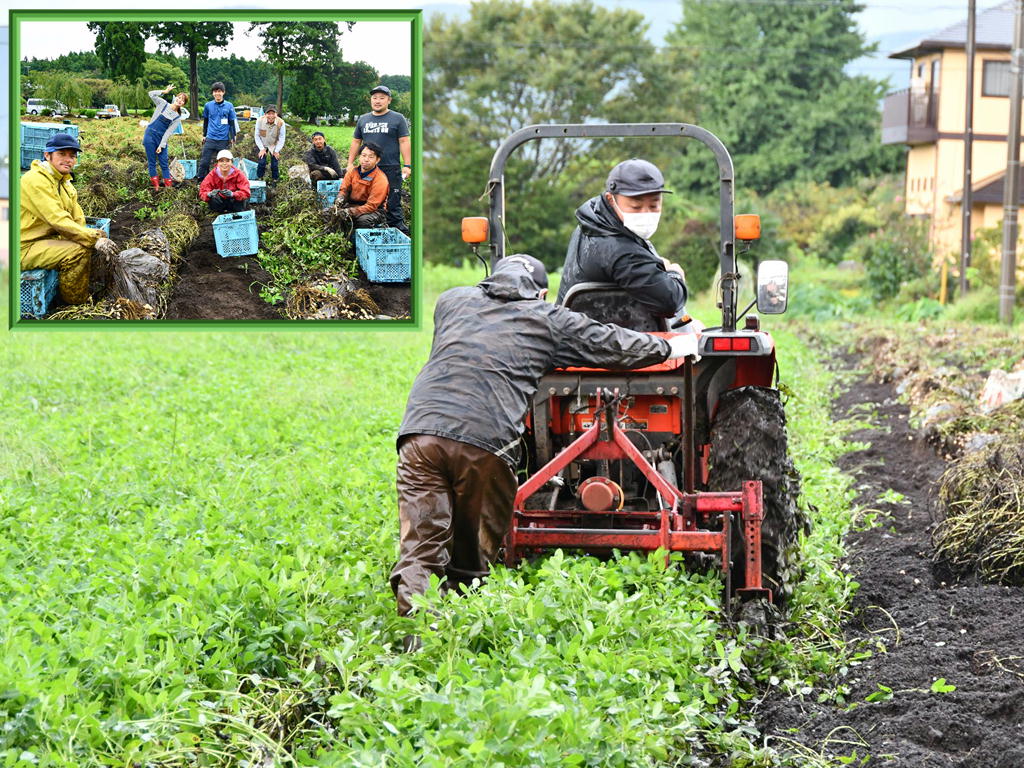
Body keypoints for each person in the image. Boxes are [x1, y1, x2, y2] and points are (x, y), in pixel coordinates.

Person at [390, 254, 699, 621]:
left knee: (420, 546)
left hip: (420, 435)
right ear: (540, 294)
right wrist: (673, 346)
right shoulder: (546, 319)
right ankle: (459, 614)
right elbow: (611, 343)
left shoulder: (451, 301)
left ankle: (418, 633)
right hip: (484, 441)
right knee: (471, 554)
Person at [557, 158, 688, 321]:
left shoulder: (591, 224)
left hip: (577, 326)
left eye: (654, 206)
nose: (646, 213)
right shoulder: (622, 252)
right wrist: (674, 273)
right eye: (636, 207)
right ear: (611, 199)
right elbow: (670, 301)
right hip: (606, 333)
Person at [20, 132, 119, 305]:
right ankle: (76, 304)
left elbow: (77, 218)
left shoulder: (64, 182)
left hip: (46, 239)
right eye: (62, 154)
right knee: (77, 252)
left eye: (72, 156)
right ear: (47, 155)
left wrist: (95, 236)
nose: (68, 160)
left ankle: (86, 287)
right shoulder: (35, 180)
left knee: (88, 242)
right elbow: (57, 219)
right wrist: (92, 239)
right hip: (24, 245)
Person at [348, 85, 411, 235]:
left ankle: (398, 234)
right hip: (367, 169)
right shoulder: (363, 119)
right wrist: (350, 163)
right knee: (367, 201)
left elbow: (404, 141)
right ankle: (370, 231)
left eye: (382, 98)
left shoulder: (398, 118)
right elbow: (356, 142)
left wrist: (407, 165)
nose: (377, 101)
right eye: (374, 98)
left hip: (390, 167)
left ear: (389, 100)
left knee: (392, 203)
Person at [329, 141, 389, 229]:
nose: (366, 159)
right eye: (363, 155)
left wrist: (350, 212)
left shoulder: (380, 179)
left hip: (373, 210)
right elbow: (344, 189)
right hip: (352, 205)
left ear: (377, 160)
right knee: (328, 213)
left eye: (371, 157)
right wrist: (340, 199)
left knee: (362, 221)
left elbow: (371, 206)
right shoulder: (352, 172)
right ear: (359, 157)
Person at [142, 84, 188, 190]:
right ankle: (156, 187)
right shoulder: (163, 104)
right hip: (150, 135)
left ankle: (168, 188)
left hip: (161, 138)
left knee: (164, 163)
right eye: (179, 97)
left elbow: (168, 132)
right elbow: (151, 94)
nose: (180, 100)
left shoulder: (177, 118)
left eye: (183, 100)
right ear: (175, 98)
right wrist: (164, 91)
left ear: (183, 104)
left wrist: (161, 145)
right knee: (152, 162)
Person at [197, 82, 238, 180]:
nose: (217, 93)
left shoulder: (229, 105)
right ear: (212, 93)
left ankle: (222, 180)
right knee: (204, 162)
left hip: (223, 139)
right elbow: (206, 121)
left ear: (223, 92)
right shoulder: (208, 105)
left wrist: (233, 136)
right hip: (210, 138)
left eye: (219, 91)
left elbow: (232, 122)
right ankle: (201, 179)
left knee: (223, 163)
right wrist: (204, 135)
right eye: (215, 91)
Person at [199, 149, 251, 213]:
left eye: (227, 161)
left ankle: (235, 213)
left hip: (234, 201)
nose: (224, 163)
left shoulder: (238, 174)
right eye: (221, 161)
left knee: (241, 200)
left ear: (231, 162)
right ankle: (219, 213)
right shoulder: (212, 175)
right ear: (218, 163)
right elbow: (202, 191)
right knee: (213, 199)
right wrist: (209, 194)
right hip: (220, 202)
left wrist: (233, 194)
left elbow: (246, 192)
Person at [254, 105, 286, 183]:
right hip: (263, 143)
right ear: (265, 114)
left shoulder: (281, 122)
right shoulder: (260, 121)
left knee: (274, 164)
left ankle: (275, 180)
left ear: (276, 114)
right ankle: (259, 178)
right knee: (262, 162)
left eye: (273, 113)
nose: (271, 116)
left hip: (274, 144)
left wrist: (276, 151)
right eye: (269, 113)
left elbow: (282, 138)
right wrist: (262, 149)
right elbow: (257, 135)